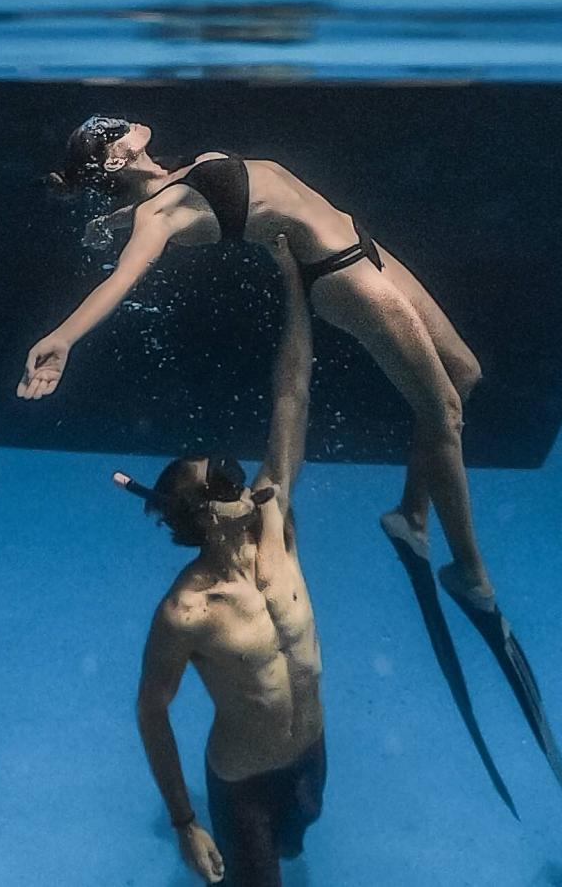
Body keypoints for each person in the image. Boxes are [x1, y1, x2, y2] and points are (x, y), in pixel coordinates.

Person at [22, 117, 562, 834]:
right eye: (111, 128)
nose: (128, 120)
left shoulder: (181, 174)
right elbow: (123, 281)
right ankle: (469, 573)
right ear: (114, 155)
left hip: (362, 242)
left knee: (466, 373)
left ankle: (412, 516)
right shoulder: (158, 216)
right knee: (443, 410)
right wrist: (62, 339)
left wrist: (103, 216)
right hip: (338, 274)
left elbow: (187, 196)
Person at [126, 235, 324, 887]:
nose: (241, 478)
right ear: (206, 514)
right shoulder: (186, 611)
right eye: (223, 479)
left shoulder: (276, 521)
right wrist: (185, 821)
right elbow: (151, 709)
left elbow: (292, 391)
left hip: (312, 758)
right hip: (242, 785)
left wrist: (293, 279)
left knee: (298, 843)